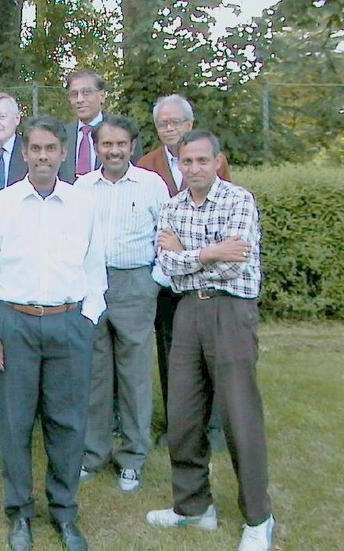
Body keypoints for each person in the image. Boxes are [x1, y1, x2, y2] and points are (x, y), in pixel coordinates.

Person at [0, 117, 107, 551]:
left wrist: (87, 318)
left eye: (51, 148)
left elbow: (95, 267)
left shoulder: (82, 204)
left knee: (67, 423)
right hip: (16, 323)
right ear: (25, 153)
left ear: (63, 153)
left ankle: (65, 513)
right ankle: (19, 514)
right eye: (36, 149)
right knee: (15, 425)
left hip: (70, 324)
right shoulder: (0, 205)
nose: (44, 156)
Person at [147, 129, 275, 551]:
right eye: (188, 161)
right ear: (178, 164)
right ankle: (193, 506)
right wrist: (210, 252)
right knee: (182, 413)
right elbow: (168, 266)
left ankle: (258, 517)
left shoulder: (239, 200)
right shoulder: (172, 206)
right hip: (187, 312)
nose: (196, 168)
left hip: (231, 312)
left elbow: (236, 266)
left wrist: (192, 253)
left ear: (217, 161)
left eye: (203, 160)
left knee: (240, 416)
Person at [74, 115, 169, 493]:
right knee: (95, 374)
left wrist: (153, 282)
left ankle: (132, 456)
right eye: (106, 144)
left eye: (121, 144)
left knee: (133, 375)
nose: (113, 150)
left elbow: (169, 234)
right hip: (93, 285)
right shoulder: (83, 187)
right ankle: (94, 453)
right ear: (97, 147)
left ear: (132, 146)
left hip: (135, 284)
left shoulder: (151, 185)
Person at [137, 94, 231, 450]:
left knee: (213, 354)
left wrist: (191, 252)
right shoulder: (146, 164)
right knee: (172, 355)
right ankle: (179, 425)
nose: (170, 128)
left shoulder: (210, 161)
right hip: (165, 278)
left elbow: (221, 222)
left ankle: (216, 425)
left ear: (190, 125)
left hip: (207, 279)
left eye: (176, 122)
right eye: (163, 123)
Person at [58, 69, 142, 183]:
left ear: (102, 96)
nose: (80, 99)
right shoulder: (60, 136)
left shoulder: (124, 133)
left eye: (86, 92)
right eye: (74, 94)